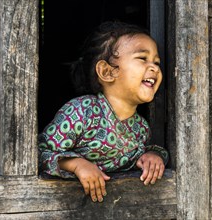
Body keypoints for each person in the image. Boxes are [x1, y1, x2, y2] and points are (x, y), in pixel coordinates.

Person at [38, 21, 168, 203]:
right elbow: (41, 151)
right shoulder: (81, 112)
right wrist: (76, 165)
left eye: (156, 62)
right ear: (106, 72)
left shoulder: (141, 128)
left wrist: (152, 157)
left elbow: (140, 153)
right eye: (142, 58)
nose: (155, 67)